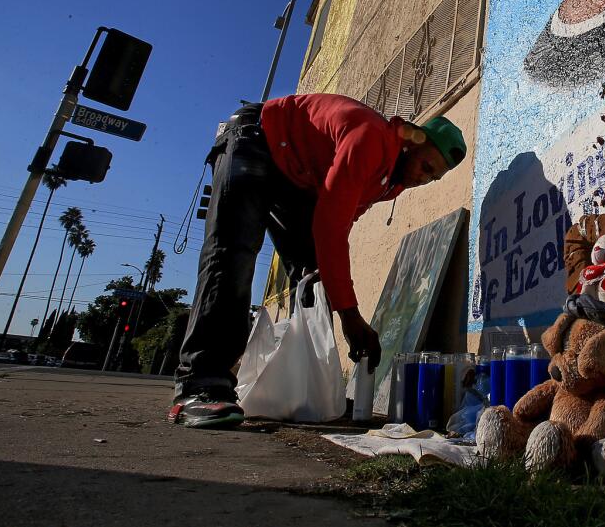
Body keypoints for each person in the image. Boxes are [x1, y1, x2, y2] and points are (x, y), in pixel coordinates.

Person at [169, 94, 467, 428]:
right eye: (426, 167)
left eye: (434, 178)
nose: (423, 179)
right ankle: (200, 384)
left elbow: (339, 226)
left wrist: (340, 300)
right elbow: (330, 226)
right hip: (257, 139)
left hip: (296, 177)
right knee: (233, 254)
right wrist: (350, 316)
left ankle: (314, 391)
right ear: (413, 143)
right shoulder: (371, 139)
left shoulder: (391, 181)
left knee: (314, 278)